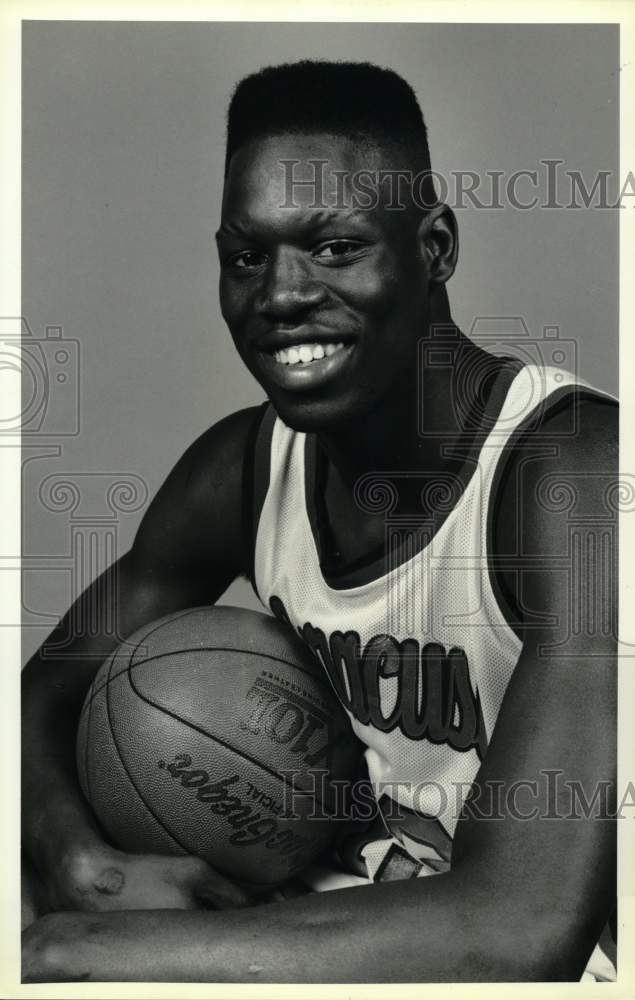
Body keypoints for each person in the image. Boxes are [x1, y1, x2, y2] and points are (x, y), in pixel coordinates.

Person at [21, 60, 617, 982]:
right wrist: (81, 868)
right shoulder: (244, 470)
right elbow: (39, 697)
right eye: (246, 256)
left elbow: (522, 925)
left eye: (334, 247)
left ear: (434, 248)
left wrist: (104, 946)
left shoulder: (574, 479)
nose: (281, 294)